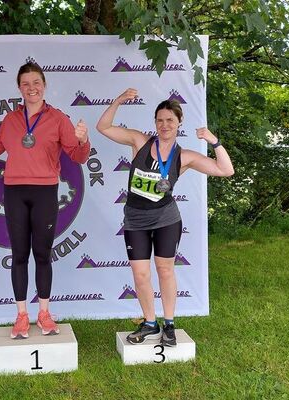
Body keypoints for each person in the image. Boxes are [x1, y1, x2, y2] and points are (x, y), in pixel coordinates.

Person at [97, 88, 234, 346]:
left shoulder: (184, 157)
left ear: (179, 123)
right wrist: (117, 101)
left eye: (170, 120)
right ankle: (150, 323)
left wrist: (214, 141)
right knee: (140, 275)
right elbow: (103, 127)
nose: (164, 125)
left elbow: (225, 170)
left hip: (166, 220)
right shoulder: (139, 141)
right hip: (135, 220)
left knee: (165, 270)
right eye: (160, 120)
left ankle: (169, 324)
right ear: (155, 123)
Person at [0, 62, 90, 339]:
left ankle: (44, 313)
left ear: (44, 85)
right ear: (19, 88)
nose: (31, 88)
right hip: (15, 192)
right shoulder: (12, 120)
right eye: (26, 84)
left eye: (36, 83)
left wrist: (84, 139)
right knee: (19, 256)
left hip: (45, 192)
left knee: (42, 254)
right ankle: (21, 316)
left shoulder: (58, 119)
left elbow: (78, 157)